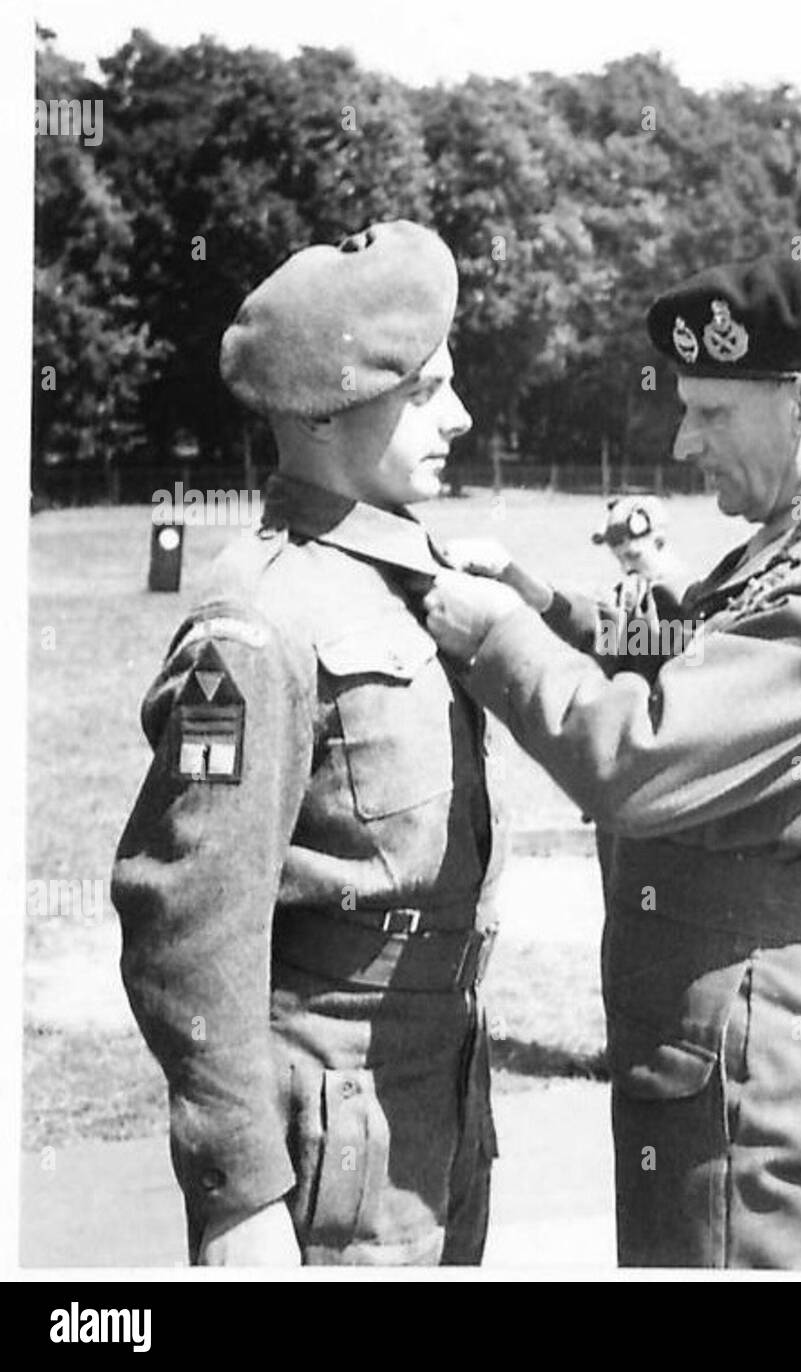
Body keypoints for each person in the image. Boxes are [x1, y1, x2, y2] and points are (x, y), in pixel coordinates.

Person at [422, 254, 801, 1269]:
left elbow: (638, 754)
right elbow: (681, 645)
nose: (682, 440)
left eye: (709, 411)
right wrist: (542, 604)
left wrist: (498, 640)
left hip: (743, 1056)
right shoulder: (796, 543)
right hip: (708, 1038)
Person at [112, 221, 504, 1267]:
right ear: (329, 410)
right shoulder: (251, 622)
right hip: (326, 1146)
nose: (459, 418)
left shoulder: (408, 575)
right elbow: (184, 918)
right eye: (425, 393)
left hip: (438, 1105)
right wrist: (239, 1193)